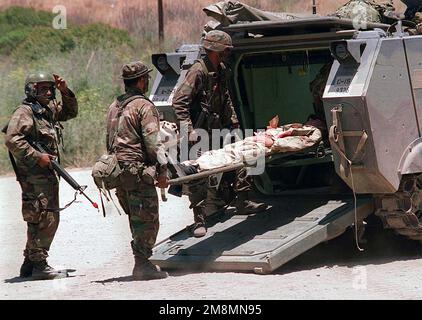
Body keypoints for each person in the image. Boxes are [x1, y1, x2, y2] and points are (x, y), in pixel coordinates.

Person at [172, 30, 267, 238]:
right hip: (199, 131)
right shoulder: (198, 71)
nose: (228, 53)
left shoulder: (221, 69)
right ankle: (199, 219)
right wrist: (188, 130)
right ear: (216, 50)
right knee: (198, 175)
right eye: (226, 50)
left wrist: (233, 121)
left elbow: (226, 97)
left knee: (244, 152)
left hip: (219, 126)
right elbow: (179, 101)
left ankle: (242, 200)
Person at [4, 72, 78, 280]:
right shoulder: (25, 112)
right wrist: (37, 157)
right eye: (42, 88)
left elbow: (70, 112)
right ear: (31, 90)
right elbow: (12, 140)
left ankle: (29, 263)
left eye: (50, 88)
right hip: (35, 176)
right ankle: (39, 263)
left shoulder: (47, 110)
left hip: (47, 175)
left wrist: (64, 91)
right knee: (45, 217)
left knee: (41, 216)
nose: (47, 92)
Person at [106, 61, 169, 280]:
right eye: (147, 79)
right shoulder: (144, 106)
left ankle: (141, 262)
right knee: (148, 220)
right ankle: (142, 265)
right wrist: (162, 170)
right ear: (142, 81)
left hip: (118, 171)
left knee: (136, 218)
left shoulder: (115, 105)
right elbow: (153, 142)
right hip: (137, 171)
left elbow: (110, 140)